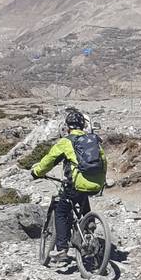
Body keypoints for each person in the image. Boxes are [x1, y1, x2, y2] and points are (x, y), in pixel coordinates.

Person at [31, 108, 107, 262]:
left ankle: (62, 249)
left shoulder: (66, 141)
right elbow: (104, 161)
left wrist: (36, 172)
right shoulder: (93, 140)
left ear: (67, 127)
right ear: (83, 126)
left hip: (75, 184)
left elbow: (49, 160)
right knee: (83, 197)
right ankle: (89, 223)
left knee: (61, 212)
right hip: (96, 183)